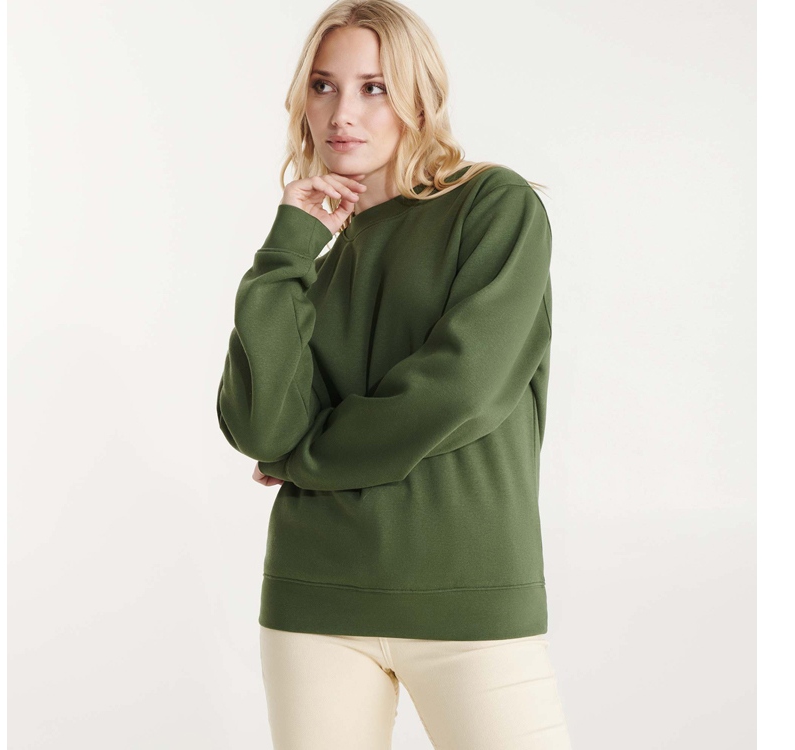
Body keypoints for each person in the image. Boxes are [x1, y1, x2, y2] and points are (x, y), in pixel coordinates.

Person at [216, 1, 572, 747]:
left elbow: (461, 390)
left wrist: (303, 460)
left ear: (419, 96)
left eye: (373, 88)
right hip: (315, 602)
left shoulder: (492, 206)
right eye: (323, 86)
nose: (341, 113)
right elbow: (259, 428)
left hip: (467, 598)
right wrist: (286, 248)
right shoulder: (313, 261)